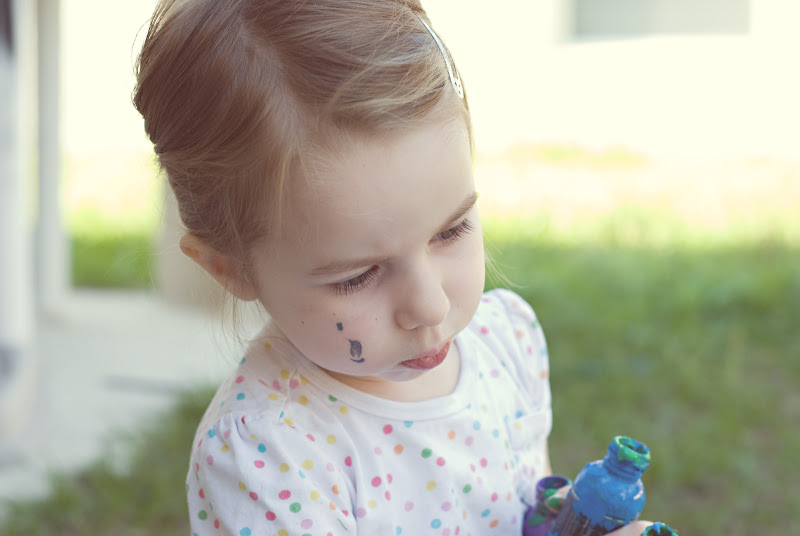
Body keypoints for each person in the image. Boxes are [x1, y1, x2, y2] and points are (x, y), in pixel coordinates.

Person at [134, 1, 653, 534]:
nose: (430, 305)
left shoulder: (505, 346)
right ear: (231, 269)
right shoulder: (271, 455)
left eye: (451, 230)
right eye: (357, 276)